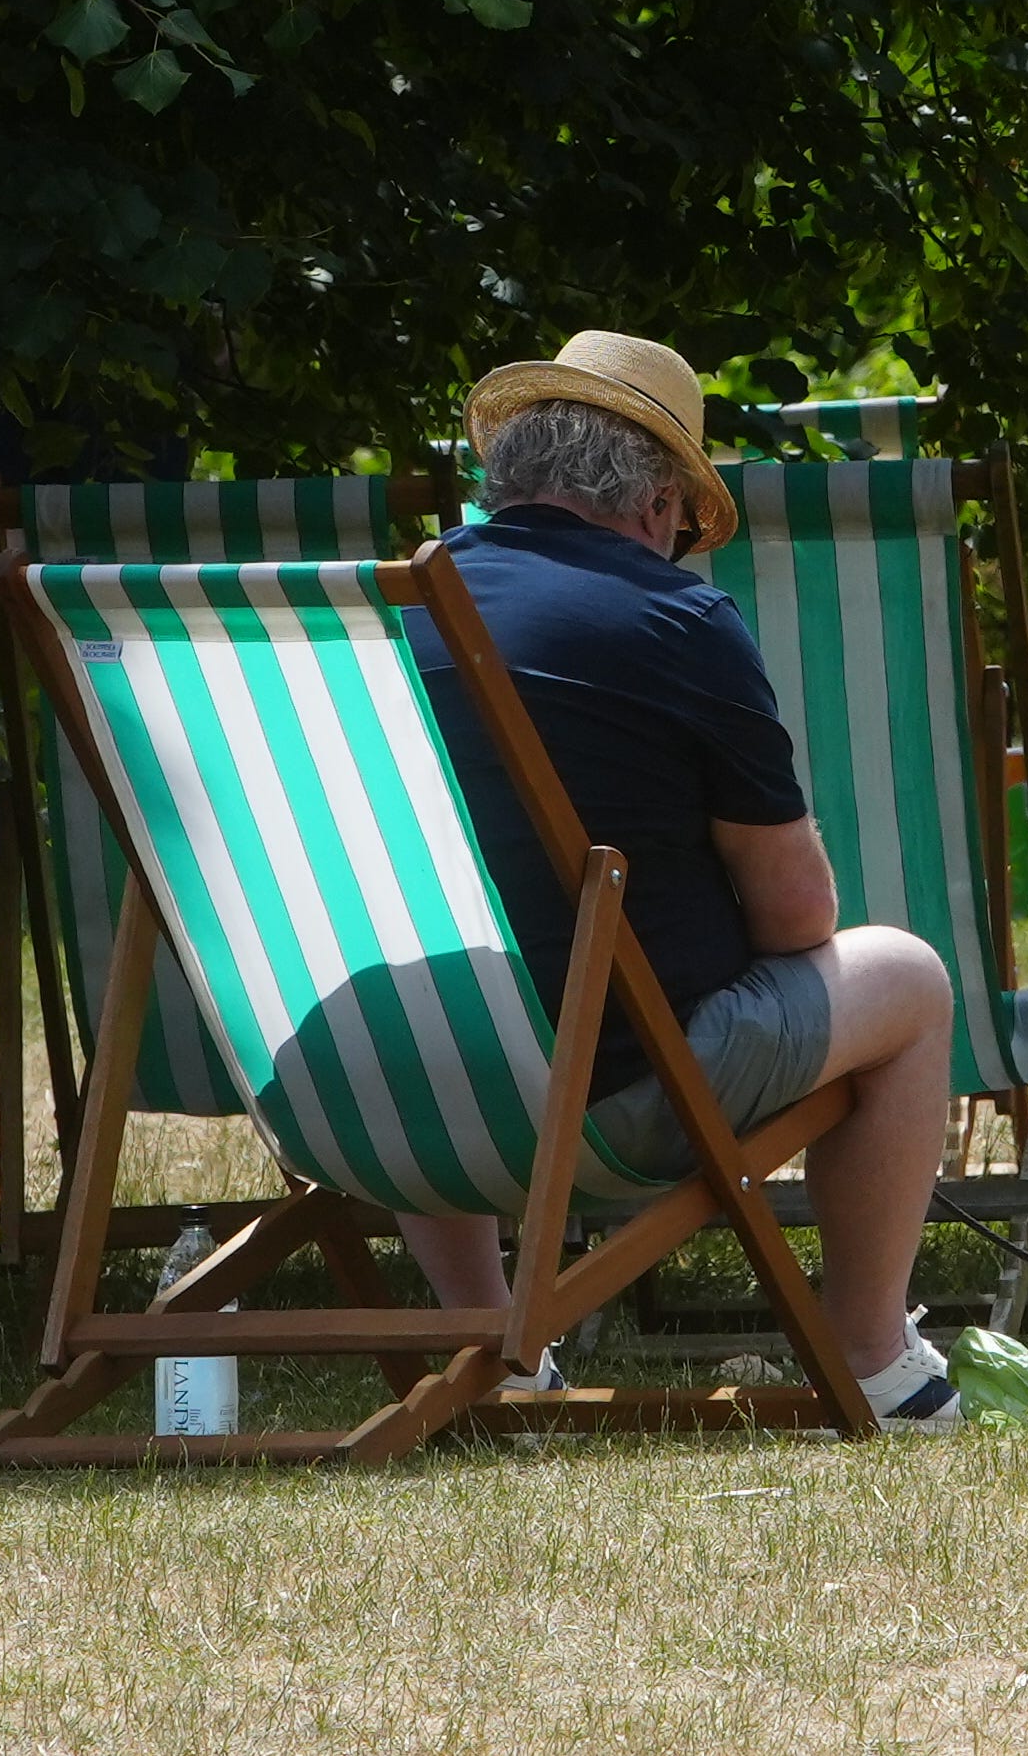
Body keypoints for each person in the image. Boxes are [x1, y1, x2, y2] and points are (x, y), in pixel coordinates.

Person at [395, 331, 968, 1430]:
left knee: (434, 971)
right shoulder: (674, 620)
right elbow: (800, 912)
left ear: (511, 471)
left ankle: (489, 1337)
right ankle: (871, 1357)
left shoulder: (384, 611)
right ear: (658, 503)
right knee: (906, 977)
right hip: (615, 1100)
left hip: (394, 1091)